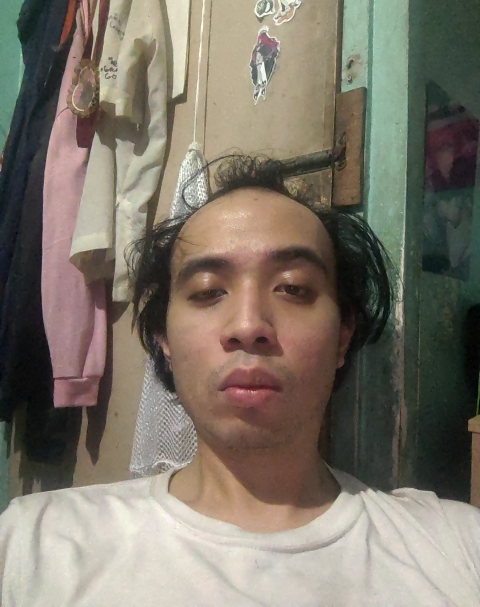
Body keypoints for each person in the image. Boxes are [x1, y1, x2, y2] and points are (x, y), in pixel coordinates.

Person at [1, 156, 480, 605]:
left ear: (342, 336)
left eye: (293, 288)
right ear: (164, 338)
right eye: (208, 291)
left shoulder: (456, 547)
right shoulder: (33, 543)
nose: (248, 325)